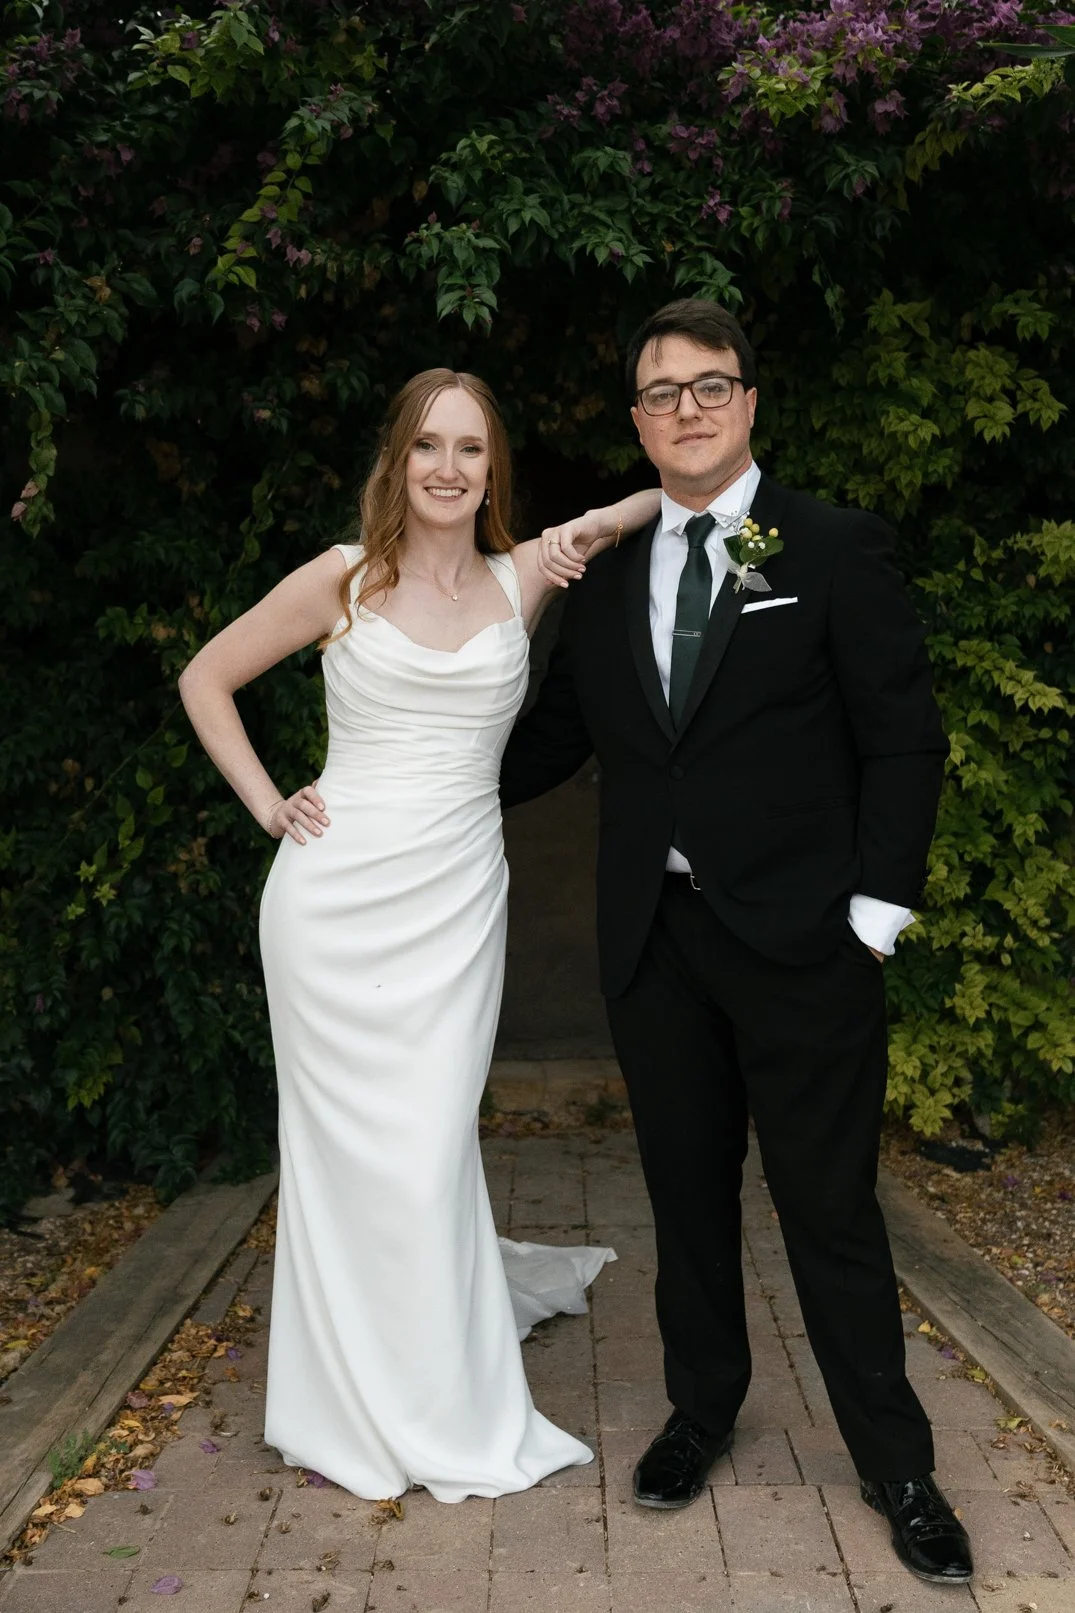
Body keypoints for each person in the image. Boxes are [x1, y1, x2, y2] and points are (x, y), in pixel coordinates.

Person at [502, 300, 973, 1584]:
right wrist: (419, 763)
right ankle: (702, 1410)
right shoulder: (605, 577)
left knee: (828, 1211)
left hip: (807, 941)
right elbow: (553, 742)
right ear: (638, 420)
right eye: (661, 393)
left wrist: (874, 917)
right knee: (686, 1201)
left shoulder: (828, 546)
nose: (687, 409)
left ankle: (897, 1463)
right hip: (656, 942)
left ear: (750, 403)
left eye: (710, 386)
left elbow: (902, 737)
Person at [178, 367, 659, 1501]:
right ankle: (346, 1392)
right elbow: (206, 677)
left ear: (494, 470)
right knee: (345, 1160)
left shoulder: (518, 581)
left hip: (453, 906)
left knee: (430, 1146)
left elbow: (646, 501)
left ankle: (440, 1386)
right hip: (332, 904)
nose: (449, 468)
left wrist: (601, 516)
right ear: (397, 460)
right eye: (429, 446)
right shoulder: (342, 579)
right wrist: (264, 803)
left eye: (473, 450)